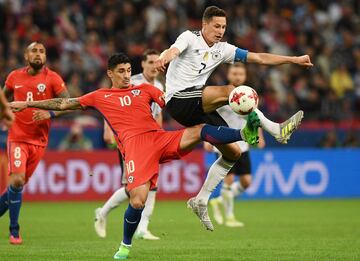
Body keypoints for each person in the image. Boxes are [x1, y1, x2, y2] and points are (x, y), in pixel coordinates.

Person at [10, 52, 261, 259]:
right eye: (121, 71)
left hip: (159, 138)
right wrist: (29, 104)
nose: (127, 74)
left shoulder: (146, 90)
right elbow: (64, 103)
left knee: (200, 130)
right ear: (110, 73)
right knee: (138, 200)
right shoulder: (100, 96)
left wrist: (212, 100)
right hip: (135, 148)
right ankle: (125, 246)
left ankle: (244, 133)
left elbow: (179, 106)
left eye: (129, 70)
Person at [155, 5, 311, 230]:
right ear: (204, 24)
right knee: (232, 90)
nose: (220, 30)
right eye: (216, 26)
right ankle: (276, 129)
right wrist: (166, 57)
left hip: (197, 106)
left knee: (234, 153)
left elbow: (259, 57)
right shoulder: (189, 37)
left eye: (224, 27)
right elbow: (174, 50)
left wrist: (294, 59)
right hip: (178, 99)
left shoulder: (223, 49)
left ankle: (200, 199)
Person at [0, 42, 70, 244]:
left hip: (39, 141)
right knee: (17, 181)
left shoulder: (53, 78)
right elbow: (3, 100)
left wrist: (50, 113)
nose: (38, 54)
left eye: (42, 51)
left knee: (16, 187)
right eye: (34, 51)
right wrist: (5, 114)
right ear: (26, 55)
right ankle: (14, 231)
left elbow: (69, 103)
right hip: (17, 137)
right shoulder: (14, 77)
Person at [94, 49, 164, 240]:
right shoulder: (134, 83)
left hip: (150, 142)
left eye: (157, 62)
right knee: (134, 187)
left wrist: (159, 138)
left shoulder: (157, 85)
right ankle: (103, 213)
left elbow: (157, 115)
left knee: (149, 185)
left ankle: (142, 226)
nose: (154, 66)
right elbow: (110, 105)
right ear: (142, 64)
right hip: (131, 142)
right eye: (150, 62)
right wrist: (107, 130)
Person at [206, 63, 265, 227]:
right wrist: (208, 139)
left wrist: (260, 135)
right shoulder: (220, 95)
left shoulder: (250, 95)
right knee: (229, 180)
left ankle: (219, 201)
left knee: (246, 181)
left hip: (243, 143)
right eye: (234, 73)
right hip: (224, 144)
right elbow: (208, 117)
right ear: (229, 75)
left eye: (240, 73)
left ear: (245, 76)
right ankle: (230, 216)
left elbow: (255, 117)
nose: (237, 76)